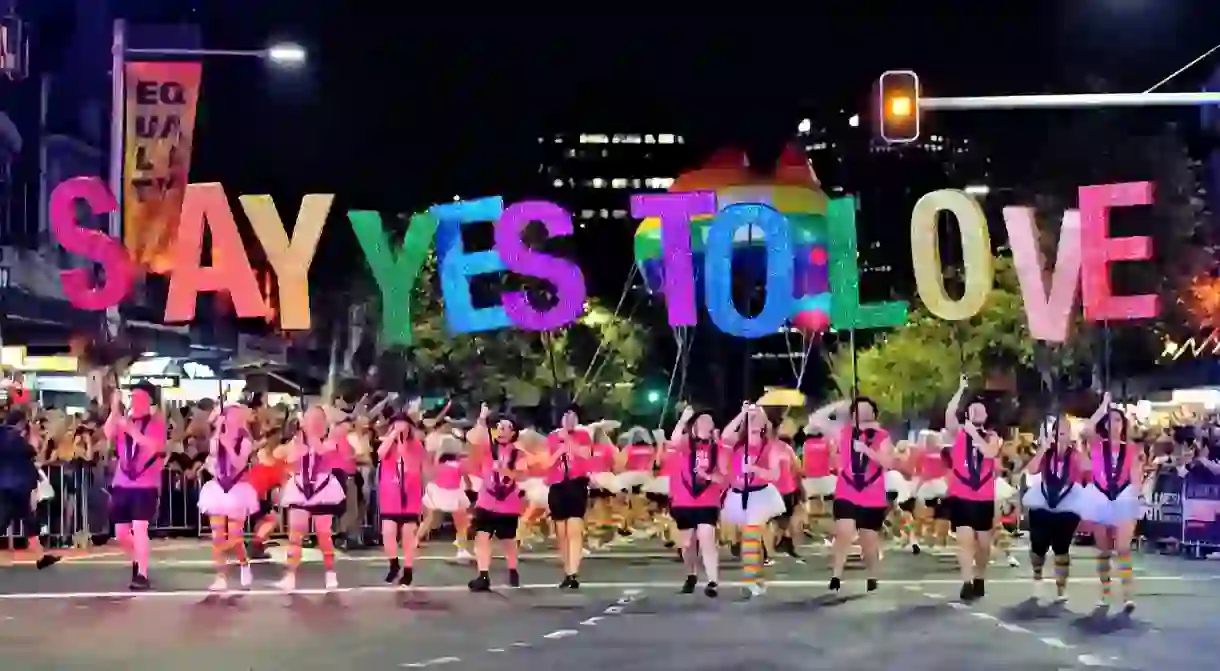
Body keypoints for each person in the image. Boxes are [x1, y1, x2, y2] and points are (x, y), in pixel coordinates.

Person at [809, 398, 895, 593]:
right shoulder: (844, 432)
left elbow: (888, 463)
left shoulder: (882, 436)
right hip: (847, 489)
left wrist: (866, 450)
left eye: (867, 411)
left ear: (874, 414)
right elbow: (816, 419)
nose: (863, 414)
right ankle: (836, 575)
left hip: (872, 492)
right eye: (858, 411)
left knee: (868, 541)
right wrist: (840, 404)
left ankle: (872, 574)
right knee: (843, 532)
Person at [1079, 392, 1145, 613]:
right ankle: (1105, 592)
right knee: (1103, 550)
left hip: (1123, 497)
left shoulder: (1131, 449)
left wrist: (1136, 494)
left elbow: (1136, 475)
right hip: (1100, 497)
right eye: (1110, 419)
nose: (1114, 423)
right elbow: (1087, 428)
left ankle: (1127, 595)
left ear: (1123, 424)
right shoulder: (1098, 445)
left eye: (1118, 419)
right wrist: (1103, 406)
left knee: (1123, 549)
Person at [943, 375, 1002, 601]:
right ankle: (967, 581)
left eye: (981, 410)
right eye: (973, 409)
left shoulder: (992, 436)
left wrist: (974, 433)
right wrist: (960, 390)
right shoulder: (958, 433)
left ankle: (980, 576)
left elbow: (989, 452)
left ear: (986, 416)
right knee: (965, 540)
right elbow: (949, 414)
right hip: (962, 494)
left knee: (984, 544)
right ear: (967, 414)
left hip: (984, 495)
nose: (978, 412)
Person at [275, 406, 346, 591]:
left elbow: (325, 453)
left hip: (322, 489)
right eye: (309, 419)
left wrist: (311, 440)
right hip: (300, 487)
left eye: (316, 419)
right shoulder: (298, 441)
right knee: (295, 535)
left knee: (324, 535)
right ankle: (290, 575)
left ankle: (330, 573)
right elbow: (287, 459)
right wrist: (297, 449)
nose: (312, 423)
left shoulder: (330, 439)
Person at [103, 383, 167, 591]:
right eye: (132, 398)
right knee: (121, 532)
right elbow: (108, 433)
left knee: (140, 527)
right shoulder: (125, 420)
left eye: (139, 398)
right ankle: (138, 559)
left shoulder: (156, 423)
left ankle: (142, 574)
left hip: (145, 483)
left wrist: (131, 429)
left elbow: (152, 446)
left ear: (149, 401)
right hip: (122, 481)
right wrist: (114, 409)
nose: (135, 402)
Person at [1022, 414, 1090, 603]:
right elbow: (1032, 469)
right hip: (1043, 500)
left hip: (1068, 501)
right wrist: (1043, 448)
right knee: (1038, 545)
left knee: (1061, 548)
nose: (1061, 435)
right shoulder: (1047, 453)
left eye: (1065, 431)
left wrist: (1079, 447)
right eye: (1058, 431)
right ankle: (1037, 580)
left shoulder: (1075, 454)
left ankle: (1061, 588)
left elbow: (1087, 468)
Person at [721, 403, 787, 598]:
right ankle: (756, 575)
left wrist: (756, 470)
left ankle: (749, 579)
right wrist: (742, 413)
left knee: (751, 535)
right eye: (752, 419)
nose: (755, 422)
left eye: (759, 418)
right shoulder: (737, 443)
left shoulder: (770, 446)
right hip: (739, 494)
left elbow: (775, 474)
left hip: (760, 495)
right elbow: (725, 435)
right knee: (750, 539)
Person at [197, 404, 259, 591]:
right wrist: (217, 431)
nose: (235, 420)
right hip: (216, 489)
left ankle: (243, 563)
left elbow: (239, 463)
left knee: (235, 537)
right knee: (217, 536)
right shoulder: (219, 436)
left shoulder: (245, 440)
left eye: (238, 417)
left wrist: (229, 446)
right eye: (231, 416)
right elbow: (213, 452)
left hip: (237, 489)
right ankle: (220, 576)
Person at [666, 405, 727, 597]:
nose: (705, 424)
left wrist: (707, 476)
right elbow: (673, 441)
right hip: (683, 500)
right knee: (687, 544)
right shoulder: (686, 444)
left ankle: (712, 581)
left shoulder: (718, 448)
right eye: (701, 421)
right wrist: (683, 419)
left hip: (707, 500)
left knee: (707, 538)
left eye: (709, 421)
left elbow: (724, 477)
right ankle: (690, 574)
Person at [467, 405, 528, 592]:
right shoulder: (488, 449)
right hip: (486, 500)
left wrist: (503, 469)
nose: (501, 431)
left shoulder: (518, 453)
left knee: (507, 540)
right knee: (482, 536)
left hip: (508, 504)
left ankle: (512, 569)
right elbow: (473, 438)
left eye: (506, 428)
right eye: (499, 427)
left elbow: (522, 475)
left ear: (514, 433)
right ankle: (483, 575)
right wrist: (482, 419)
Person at [0, 410, 58, 569]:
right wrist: (33, 433)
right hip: (16, 486)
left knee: (28, 521)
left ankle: (41, 557)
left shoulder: (3, 435)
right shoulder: (16, 439)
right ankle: (41, 557)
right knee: (12, 521)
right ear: (20, 423)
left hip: (7, 485)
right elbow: (33, 452)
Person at [542, 405, 592, 589]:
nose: (569, 420)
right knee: (561, 532)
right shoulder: (552, 437)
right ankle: (567, 570)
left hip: (576, 484)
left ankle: (574, 573)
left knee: (574, 529)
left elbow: (586, 455)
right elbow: (547, 462)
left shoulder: (583, 436)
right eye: (566, 416)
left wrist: (569, 442)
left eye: (573, 417)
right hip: (557, 485)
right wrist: (559, 449)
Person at [377, 414, 427, 587]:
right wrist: (392, 437)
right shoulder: (388, 444)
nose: (400, 427)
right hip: (390, 495)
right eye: (396, 423)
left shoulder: (416, 446)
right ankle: (393, 563)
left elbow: (417, 467)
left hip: (410, 495)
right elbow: (380, 454)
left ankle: (408, 569)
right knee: (388, 532)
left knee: (408, 535)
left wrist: (405, 448)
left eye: (403, 424)